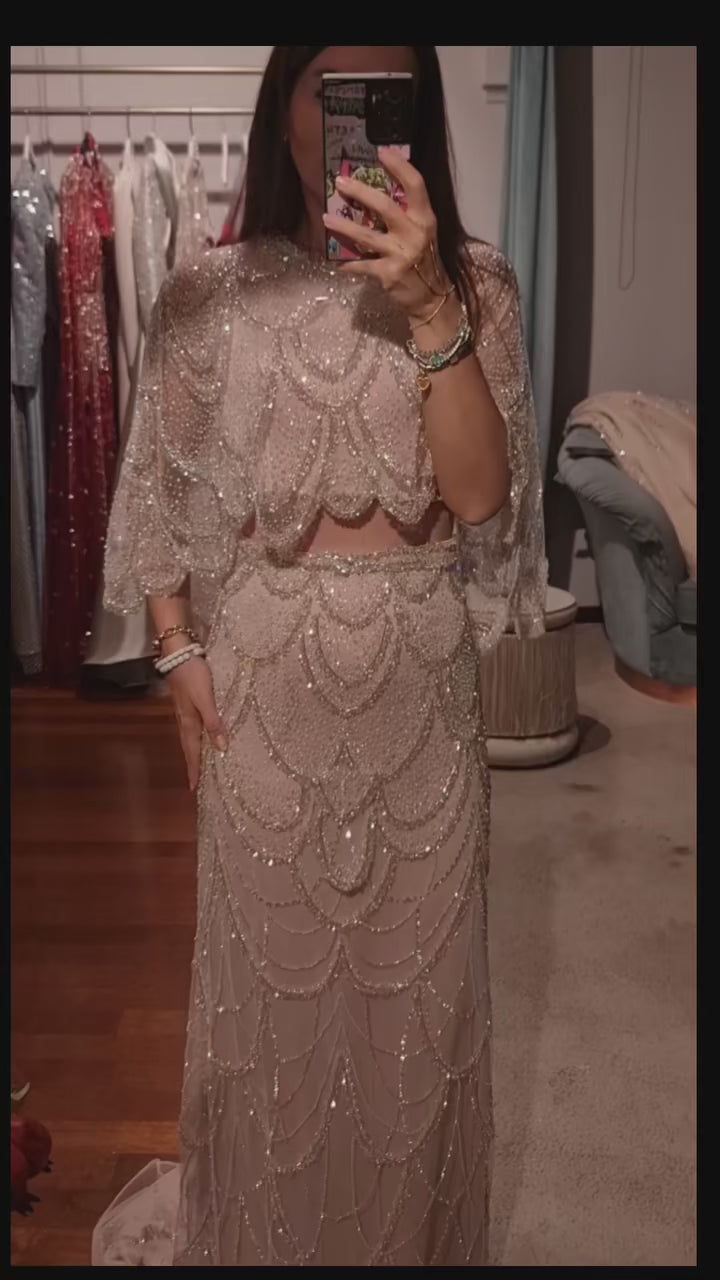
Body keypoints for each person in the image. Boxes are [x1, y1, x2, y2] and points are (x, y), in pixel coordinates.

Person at [92, 45, 546, 1268]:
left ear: (415, 116)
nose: (354, 119)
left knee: (419, 1013)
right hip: (266, 696)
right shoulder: (209, 294)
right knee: (271, 1015)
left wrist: (434, 309)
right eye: (329, 86)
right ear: (283, 104)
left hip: (420, 693)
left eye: (384, 92)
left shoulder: (478, 288)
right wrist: (175, 648)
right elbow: (159, 488)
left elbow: (478, 495)